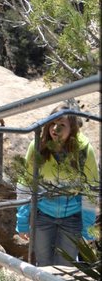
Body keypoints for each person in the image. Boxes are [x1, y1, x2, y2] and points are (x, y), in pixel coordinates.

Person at [15, 104, 99, 266]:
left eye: (62, 125)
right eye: (52, 123)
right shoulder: (38, 146)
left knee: (66, 265)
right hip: (43, 214)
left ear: (72, 129)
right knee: (44, 263)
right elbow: (25, 183)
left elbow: (91, 190)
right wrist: (23, 221)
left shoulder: (84, 151)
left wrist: (88, 229)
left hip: (72, 218)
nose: (55, 129)